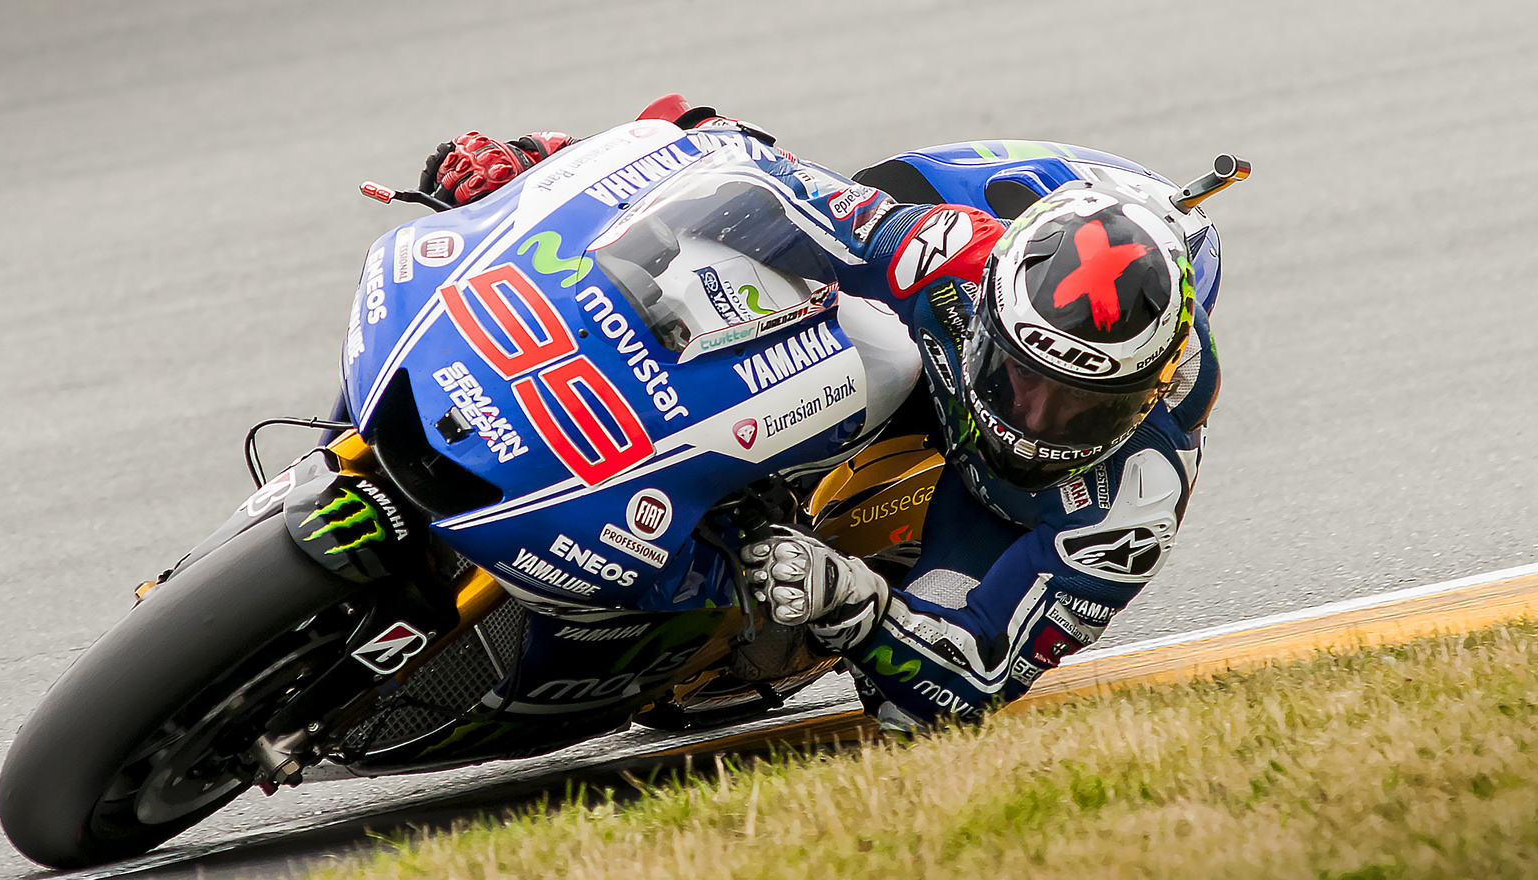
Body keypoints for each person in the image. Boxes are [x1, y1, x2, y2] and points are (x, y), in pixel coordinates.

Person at [411, 95, 1222, 733]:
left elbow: (971, 679)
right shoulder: (949, 255)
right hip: (907, 319)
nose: (1037, 415)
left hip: (984, 512)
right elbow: (723, 164)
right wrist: (538, 168)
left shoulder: (1137, 493)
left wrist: (853, 607)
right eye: (1021, 376)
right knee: (741, 242)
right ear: (988, 309)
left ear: (1147, 391)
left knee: (905, 713)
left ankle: (771, 585)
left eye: (1081, 408)